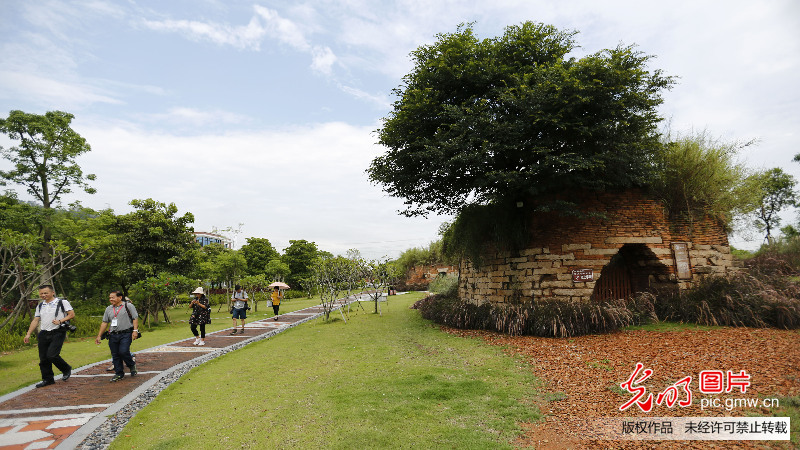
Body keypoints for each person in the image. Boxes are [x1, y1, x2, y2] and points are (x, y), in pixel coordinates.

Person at [24, 285, 74, 388]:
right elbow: (36, 320)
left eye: (46, 293)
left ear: (52, 293)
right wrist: (28, 333)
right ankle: (48, 379)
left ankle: (66, 369)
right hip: (44, 333)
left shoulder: (62, 302)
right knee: (43, 359)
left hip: (58, 331)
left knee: (52, 355)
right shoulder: (40, 305)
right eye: (41, 293)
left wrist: (60, 321)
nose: (43, 295)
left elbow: (71, 314)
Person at [96, 291, 139, 382]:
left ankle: (131, 364)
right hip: (113, 335)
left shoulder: (128, 306)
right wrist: (99, 336)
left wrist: (135, 331)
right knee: (115, 354)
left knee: (123, 351)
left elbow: (135, 318)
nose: (111, 299)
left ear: (120, 297)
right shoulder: (108, 309)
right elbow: (104, 322)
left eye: (113, 297)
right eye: (110, 298)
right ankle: (119, 373)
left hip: (126, 333)